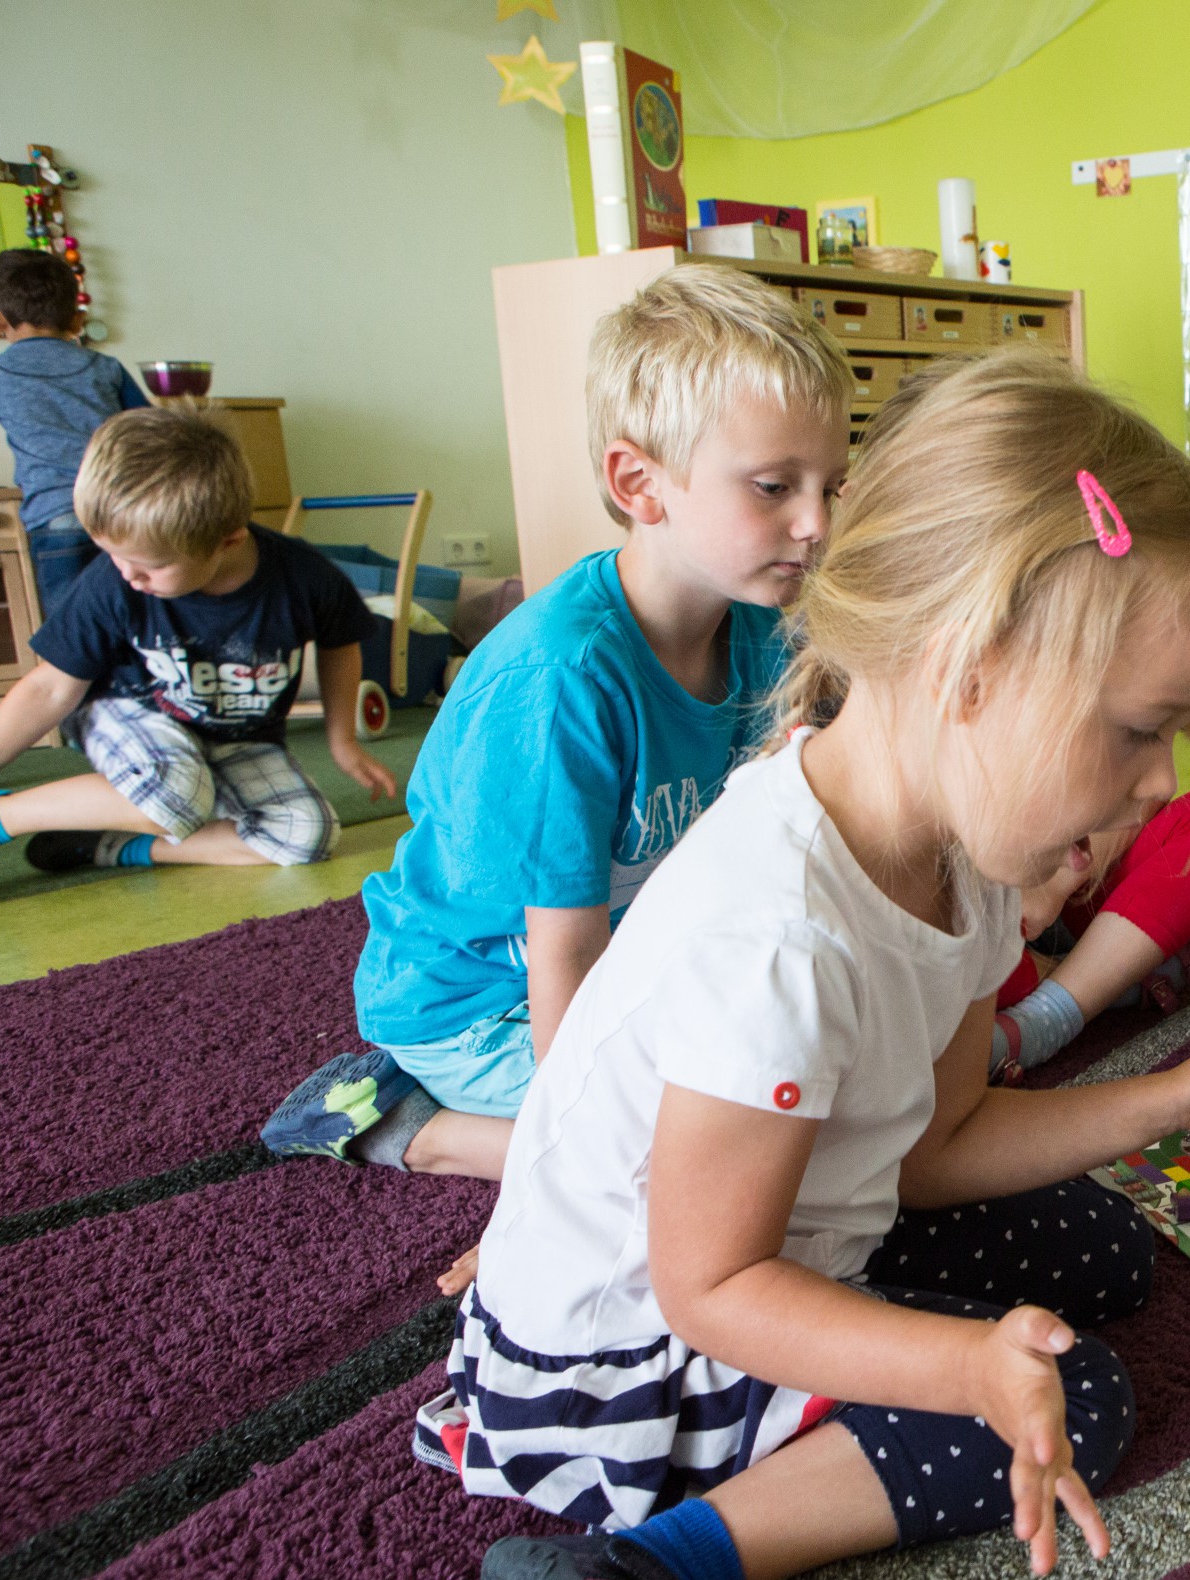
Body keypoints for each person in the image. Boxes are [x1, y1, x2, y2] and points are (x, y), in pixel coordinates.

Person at [436, 351, 1190, 1580]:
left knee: (1101, 1251)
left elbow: (937, 1138)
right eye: (1139, 732)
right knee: (1079, 1397)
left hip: (774, 1225)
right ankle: (647, 1570)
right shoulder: (777, 931)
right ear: (968, 665)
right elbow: (706, 1286)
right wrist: (962, 1361)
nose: (1158, 784)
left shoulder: (963, 852)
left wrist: (1165, 1098)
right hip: (630, 1349)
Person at [258, 268, 852, 1208]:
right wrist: (584, 1157)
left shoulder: (762, 623)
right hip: (482, 1000)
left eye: (832, 485)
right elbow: (560, 962)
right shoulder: (559, 683)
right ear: (638, 483)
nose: (816, 523)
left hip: (631, 955)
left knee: (824, 1080)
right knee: (728, 1157)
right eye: (776, 486)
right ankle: (411, 1128)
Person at [0, 408, 390, 872]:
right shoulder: (114, 583)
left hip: (235, 736)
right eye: (112, 555)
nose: (128, 574)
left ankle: (112, 844)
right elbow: (50, 687)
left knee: (305, 834)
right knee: (176, 791)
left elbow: (340, 649)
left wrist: (341, 741)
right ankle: (2, 816)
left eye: (149, 564)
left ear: (227, 540)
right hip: (130, 713)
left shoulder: (306, 578)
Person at [989, 782, 1190, 1079]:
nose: (1168, 776)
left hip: (1082, 889)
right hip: (986, 931)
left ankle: (1040, 1020)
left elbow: (1147, 793)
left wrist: (1052, 884)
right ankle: (1096, 981)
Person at [0, 247, 147, 609]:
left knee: (74, 633)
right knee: (133, 619)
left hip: (56, 516)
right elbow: (150, 431)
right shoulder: (103, 367)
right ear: (77, 319)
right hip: (121, 513)